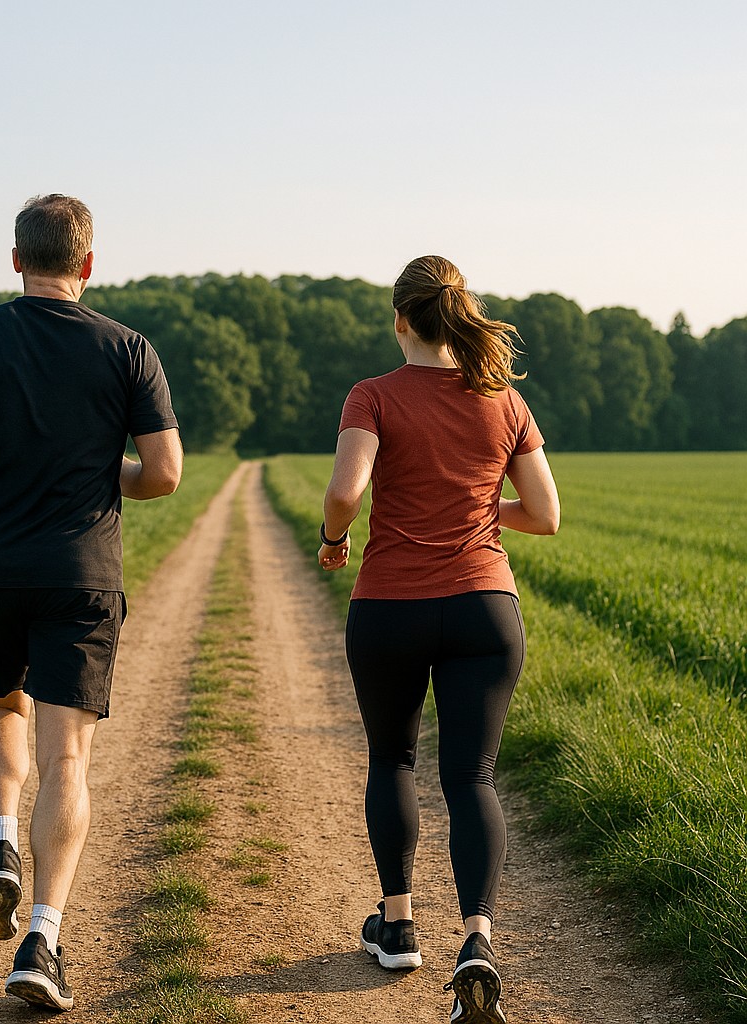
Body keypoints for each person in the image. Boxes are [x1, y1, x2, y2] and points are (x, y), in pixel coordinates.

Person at [0, 194, 183, 1013]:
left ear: (17, 259)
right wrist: (101, 472)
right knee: (68, 758)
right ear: (88, 263)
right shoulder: (128, 348)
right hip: (79, 573)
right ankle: (43, 941)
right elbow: (163, 474)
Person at [318, 255, 559, 1023]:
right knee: (472, 777)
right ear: (460, 312)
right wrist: (480, 509)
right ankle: (478, 939)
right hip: (486, 609)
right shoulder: (504, 399)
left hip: (391, 605)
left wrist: (334, 538)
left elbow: (346, 490)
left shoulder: (373, 395)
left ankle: (397, 927)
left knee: (393, 758)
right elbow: (545, 513)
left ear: (400, 318)